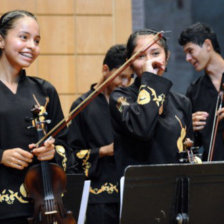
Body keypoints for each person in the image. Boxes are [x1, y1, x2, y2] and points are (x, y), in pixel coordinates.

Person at [0, 10, 75, 224]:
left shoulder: (44, 91)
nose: (32, 46)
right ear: (1, 40)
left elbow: (66, 147)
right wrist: (1, 156)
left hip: (40, 207)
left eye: (37, 40)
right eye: (24, 37)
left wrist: (52, 152)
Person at [109, 29, 193, 178]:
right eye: (140, 56)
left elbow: (188, 148)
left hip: (176, 185)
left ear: (166, 58)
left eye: (155, 54)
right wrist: (150, 79)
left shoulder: (182, 102)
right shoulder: (119, 98)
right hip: (139, 188)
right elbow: (142, 127)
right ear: (129, 63)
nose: (149, 62)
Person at [67, 44, 132, 224]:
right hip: (98, 195)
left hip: (130, 191)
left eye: (130, 78)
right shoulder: (82, 105)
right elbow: (72, 155)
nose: (126, 83)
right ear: (105, 70)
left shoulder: (131, 104)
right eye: (121, 77)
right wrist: (103, 151)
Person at [178, 22, 224, 161]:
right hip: (214, 172)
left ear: (208, 45)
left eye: (190, 51)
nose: (188, 59)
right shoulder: (194, 91)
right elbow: (190, 144)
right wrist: (188, 128)